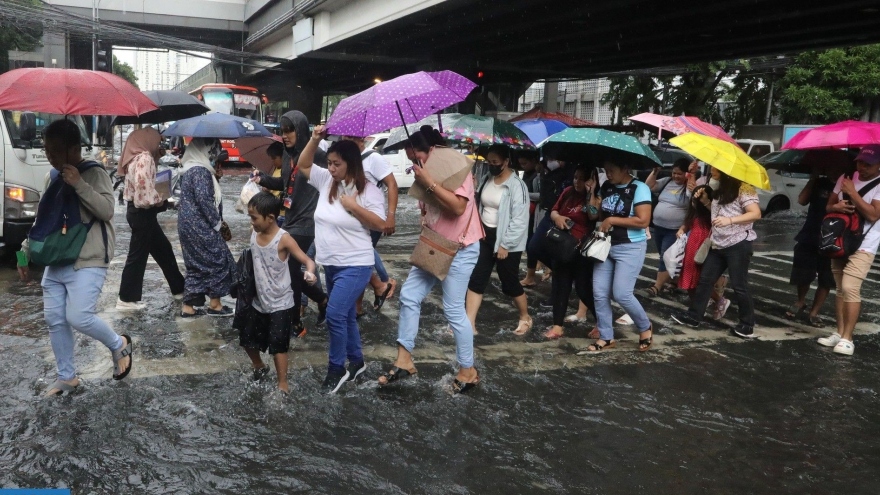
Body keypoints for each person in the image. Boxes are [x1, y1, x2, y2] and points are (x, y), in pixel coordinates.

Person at [18, 119, 131, 395]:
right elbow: (44, 219)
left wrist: (79, 184)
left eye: (55, 151)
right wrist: (24, 251)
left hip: (88, 258)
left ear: (73, 148)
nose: (49, 156)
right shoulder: (52, 176)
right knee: (55, 318)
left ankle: (119, 345)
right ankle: (66, 376)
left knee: (79, 316)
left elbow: (106, 210)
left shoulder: (95, 173)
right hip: (57, 258)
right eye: (46, 150)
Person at [377, 128, 484, 393]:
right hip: (434, 246)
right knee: (410, 295)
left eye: (413, 158)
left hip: (460, 248)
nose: (413, 164)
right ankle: (404, 360)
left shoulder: (454, 165)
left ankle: (467, 370)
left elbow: (459, 207)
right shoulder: (430, 168)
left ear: (425, 152)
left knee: (454, 310)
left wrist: (429, 182)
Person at [297, 126, 388, 393]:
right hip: (331, 263)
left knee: (334, 315)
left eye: (337, 164)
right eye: (329, 163)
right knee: (346, 314)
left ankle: (337, 369)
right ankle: (357, 361)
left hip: (357, 264)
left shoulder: (369, 191)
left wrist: (355, 207)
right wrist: (315, 139)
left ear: (352, 163)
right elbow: (303, 165)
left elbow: (380, 225)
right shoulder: (327, 180)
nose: (332, 168)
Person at [252, 111, 329, 332]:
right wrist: (262, 178)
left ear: (301, 131)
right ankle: (322, 301)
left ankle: (294, 321)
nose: (285, 136)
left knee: (289, 266)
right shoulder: (287, 155)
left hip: (308, 221)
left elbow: (336, 172)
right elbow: (285, 184)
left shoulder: (316, 154)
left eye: (289, 131)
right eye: (282, 131)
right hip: (291, 217)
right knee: (292, 269)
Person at [240, 192, 317, 393]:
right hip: (258, 300)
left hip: (281, 302)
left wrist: (309, 273)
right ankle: (259, 366)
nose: (252, 221)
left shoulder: (284, 239)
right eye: (250, 216)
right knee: (247, 338)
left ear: (271, 218)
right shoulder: (254, 232)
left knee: (278, 345)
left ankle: (283, 383)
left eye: (254, 217)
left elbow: (307, 260)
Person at [671, 170, 762, 338]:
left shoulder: (744, 188)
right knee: (705, 281)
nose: (712, 172)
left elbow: (755, 213)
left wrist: (730, 221)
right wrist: (705, 201)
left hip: (738, 243)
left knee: (739, 285)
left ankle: (747, 325)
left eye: (715, 170)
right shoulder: (719, 190)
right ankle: (694, 316)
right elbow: (718, 214)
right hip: (718, 243)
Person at [582, 161, 653, 353]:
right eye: (605, 171)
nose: (609, 174)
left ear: (625, 168)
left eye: (612, 170)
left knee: (622, 293)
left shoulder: (640, 188)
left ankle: (645, 327)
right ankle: (606, 337)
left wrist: (612, 219)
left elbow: (643, 220)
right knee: (599, 292)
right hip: (605, 246)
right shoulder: (606, 186)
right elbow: (594, 216)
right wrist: (592, 194)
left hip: (630, 247)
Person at [816, 146, 880, 355]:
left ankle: (847, 338)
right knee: (841, 288)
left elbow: (873, 215)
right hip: (841, 240)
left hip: (865, 243)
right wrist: (837, 207)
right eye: (860, 162)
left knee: (850, 286)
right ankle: (840, 332)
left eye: (868, 165)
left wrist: (853, 193)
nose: (861, 167)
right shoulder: (845, 177)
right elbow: (828, 206)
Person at [465, 144, 532, 336]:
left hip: (507, 241)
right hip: (485, 236)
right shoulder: (487, 179)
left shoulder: (517, 186)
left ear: (506, 162)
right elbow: (480, 206)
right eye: (489, 162)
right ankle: (469, 323)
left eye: (495, 162)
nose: (491, 165)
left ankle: (525, 316)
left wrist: (505, 244)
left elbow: (520, 220)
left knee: (509, 281)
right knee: (477, 278)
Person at [116, 128, 185, 310]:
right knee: (137, 257)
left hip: (138, 213)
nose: (158, 144)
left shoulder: (137, 156)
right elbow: (144, 196)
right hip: (142, 213)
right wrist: (163, 202)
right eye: (157, 140)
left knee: (163, 250)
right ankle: (126, 299)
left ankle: (179, 288)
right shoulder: (145, 158)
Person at [177, 138, 236, 317]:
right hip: (200, 226)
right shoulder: (201, 172)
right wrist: (218, 224)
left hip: (188, 226)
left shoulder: (189, 169)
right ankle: (215, 305)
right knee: (218, 260)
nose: (214, 158)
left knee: (196, 265)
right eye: (213, 153)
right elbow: (204, 201)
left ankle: (189, 307)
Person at [786, 164, 848, 327]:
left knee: (826, 277)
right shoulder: (820, 183)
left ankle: (814, 312)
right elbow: (801, 200)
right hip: (811, 233)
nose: (832, 169)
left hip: (834, 237)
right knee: (803, 271)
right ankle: (800, 301)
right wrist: (813, 177)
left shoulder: (848, 185)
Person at [342, 135, 399, 314]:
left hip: (370, 219)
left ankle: (376, 288)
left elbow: (392, 185)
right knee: (357, 261)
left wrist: (390, 216)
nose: (348, 141)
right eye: (345, 137)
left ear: (363, 140)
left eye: (352, 139)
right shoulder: (347, 160)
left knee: (358, 261)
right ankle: (373, 291)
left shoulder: (373, 158)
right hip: (352, 219)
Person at [544, 165, 601, 340]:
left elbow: (593, 216)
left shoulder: (594, 198)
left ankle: (601, 322)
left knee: (583, 288)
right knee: (561, 285)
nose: (577, 181)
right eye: (575, 177)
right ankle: (557, 326)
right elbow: (554, 209)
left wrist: (590, 194)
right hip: (561, 246)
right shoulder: (568, 191)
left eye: (582, 178)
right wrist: (558, 218)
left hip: (580, 250)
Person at [640, 159, 692, 298]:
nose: (675, 176)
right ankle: (674, 282)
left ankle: (657, 287)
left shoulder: (689, 186)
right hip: (658, 226)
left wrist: (691, 179)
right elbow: (649, 186)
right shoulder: (668, 181)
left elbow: (692, 202)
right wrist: (655, 172)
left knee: (665, 257)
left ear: (686, 174)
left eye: (679, 174)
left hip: (675, 230)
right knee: (668, 257)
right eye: (674, 173)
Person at [520, 157, 573, 287]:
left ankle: (559, 278)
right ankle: (554, 272)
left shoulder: (569, 169)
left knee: (557, 250)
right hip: (548, 210)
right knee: (533, 246)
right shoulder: (544, 169)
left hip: (564, 212)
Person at [676, 184, 727, 317]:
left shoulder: (711, 212)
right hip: (691, 247)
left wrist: (706, 202)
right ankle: (698, 307)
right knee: (689, 278)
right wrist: (682, 230)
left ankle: (718, 300)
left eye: (697, 199)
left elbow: (716, 220)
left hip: (703, 247)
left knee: (701, 281)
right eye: (694, 199)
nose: (695, 202)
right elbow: (688, 223)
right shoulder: (694, 212)